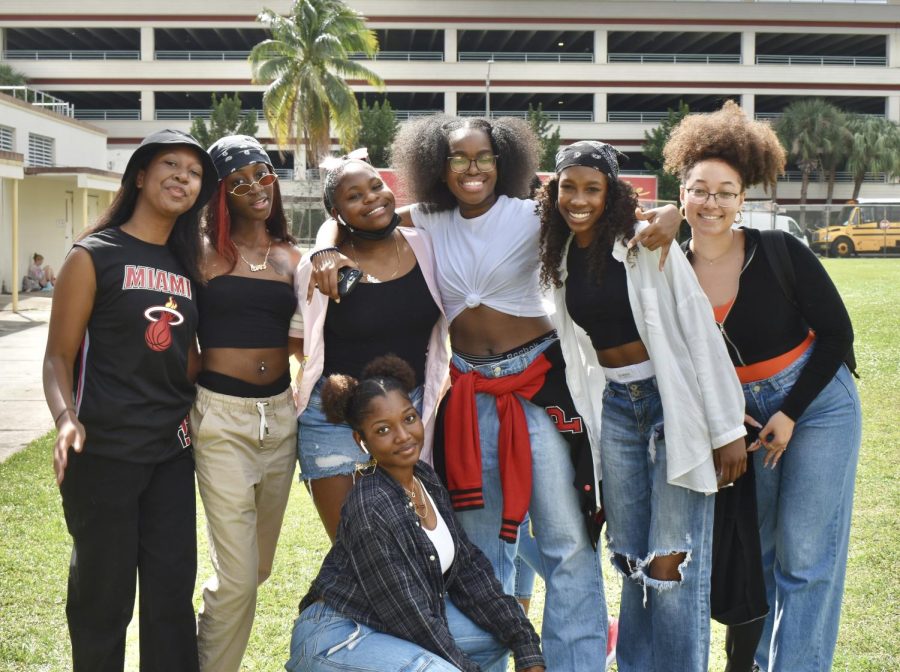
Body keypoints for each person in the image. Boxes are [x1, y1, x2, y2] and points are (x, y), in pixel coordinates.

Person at [309, 115, 682, 670]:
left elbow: (605, 209)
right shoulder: (427, 220)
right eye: (458, 158)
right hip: (467, 391)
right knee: (477, 554)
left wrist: (673, 211)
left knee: (565, 541)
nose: (472, 168)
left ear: (504, 160)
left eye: (484, 157)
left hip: (537, 384)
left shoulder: (533, 212)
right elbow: (350, 220)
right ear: (438, 166)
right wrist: (323, 247)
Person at [663, 101, 862, 672]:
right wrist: (724, 420)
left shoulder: (778, 251)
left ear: (743, 199)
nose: (712, 203)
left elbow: (837, 335)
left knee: (805, 557)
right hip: (741, 420)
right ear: (682, 195)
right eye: (701, 190)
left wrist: (792, 411)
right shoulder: (669, 268)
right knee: (765, 553)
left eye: (726, 192)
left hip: (816, 404)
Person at [535, 140, 747, 672]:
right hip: (616, 409)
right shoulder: (560, 253)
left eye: (592, 188)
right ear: (554, 190)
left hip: (670, 404)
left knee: (672, 564)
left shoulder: (643, 241)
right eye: (569, 187)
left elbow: (699, 327)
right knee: (631, 559)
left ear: (612, 194)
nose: (578, 199)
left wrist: (726, 428)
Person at [42, 129, 217, 671]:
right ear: (140, 175)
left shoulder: (188, 265)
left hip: (170, 453)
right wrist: (66, 419)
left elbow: (184, 359)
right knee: (102, 599)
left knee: (169, 599)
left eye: (192, 174)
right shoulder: (93, 255)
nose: (181, 178)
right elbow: (57, 358)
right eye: (170, 165)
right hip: (105, 452)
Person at [286, 355, 545, 672]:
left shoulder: (425, 479)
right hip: (336, 636)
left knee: (495, 633)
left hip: (389, 628)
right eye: (383, 429)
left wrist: (526, 646)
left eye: (408, 419)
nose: (403, 436)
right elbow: (412, 618)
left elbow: (469, 569)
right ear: (361, 440)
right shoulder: (369, 507)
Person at [293, 152, 449, 540]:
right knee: (355, 546)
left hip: (408, 415)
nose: (372, 198)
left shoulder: (426, 246)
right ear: (336, 211)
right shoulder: (319, 267)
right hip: (333, 419)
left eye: (376, 186)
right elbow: (299, 342)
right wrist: (323, 248)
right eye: (354, 195)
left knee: (416, 540)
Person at [190, 135, 302, 672]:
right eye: (239, 182)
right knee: (237, 579)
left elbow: (309, 338)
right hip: (222, 416)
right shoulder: (200, 252)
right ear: (222, 193)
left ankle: (198, 652)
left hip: (280, 419)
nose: (256, 188)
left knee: (254, 570)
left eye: (263, 174)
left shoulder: (289, 256)